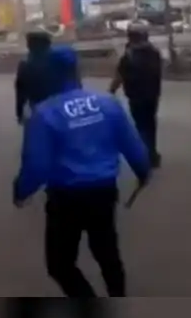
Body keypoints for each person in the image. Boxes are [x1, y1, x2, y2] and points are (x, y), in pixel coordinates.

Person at [13, 46, 150, 298]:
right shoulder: (107, 104)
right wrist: (143, 172)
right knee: (107, 253)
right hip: (103, 192)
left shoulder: (44, 113)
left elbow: (37, 165)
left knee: (60, 264)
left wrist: (21, 191)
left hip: (65, 198)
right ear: (77, 70)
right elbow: (133, 145)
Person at [109, 23, 163, 167]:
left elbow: (119, 75)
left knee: (141, 125)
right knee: (150, 124)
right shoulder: (154, 52)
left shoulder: (129, 54)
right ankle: (151, 152)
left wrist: (111, 91)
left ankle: (146, 154)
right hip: (152, 95)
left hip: (136, 96)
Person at [14, 29, 54, 125]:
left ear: (30, 46)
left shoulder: (25, 64)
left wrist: (19, 114)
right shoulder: (60, 61)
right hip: (62, 109)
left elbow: (20, 92)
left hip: (37, 109)